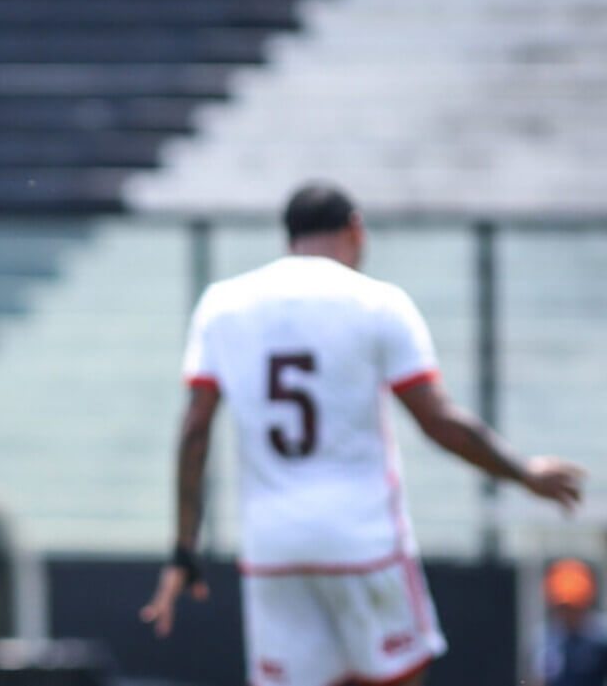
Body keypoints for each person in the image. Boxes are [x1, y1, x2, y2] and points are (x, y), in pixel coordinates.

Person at [139, 182, 585, 686]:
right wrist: (524, 471)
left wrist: (183, 549)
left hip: (273, 549)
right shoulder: (377, 302)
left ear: (290, 237)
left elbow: (196, 430)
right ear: (355, 228)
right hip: (364, 541)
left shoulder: (221, 305)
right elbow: (437, 420)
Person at [534, 558, 607, 686]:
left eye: (573, 608)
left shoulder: (601, 636)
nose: (567, 614)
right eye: (563, 608)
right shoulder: (545, 639)